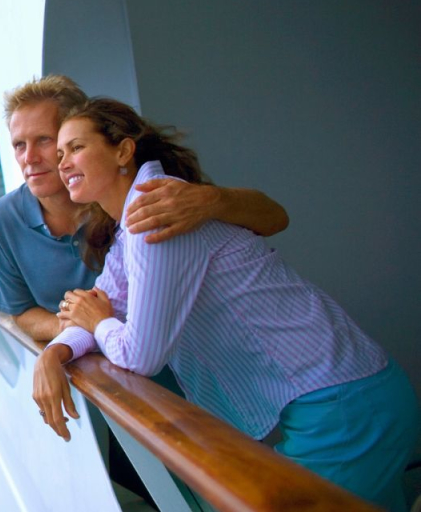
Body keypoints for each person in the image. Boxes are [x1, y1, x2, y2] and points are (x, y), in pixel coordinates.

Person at [38, 97, 418, 511]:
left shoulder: (157, 213)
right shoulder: (132, 226)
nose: (63, 163)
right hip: (347, 396)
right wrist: (55, 353)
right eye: (59, 154)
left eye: (75, 148)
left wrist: (99, 324)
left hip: (344, 407)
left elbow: (138, 354)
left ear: (124, 151)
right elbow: (99, 302)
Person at [0, 76, 288, 343]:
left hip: (204, 352)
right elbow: (19, 310)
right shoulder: (1, 221)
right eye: (19, 145)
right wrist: (69, 329)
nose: (29, 158)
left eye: (44, 140)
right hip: (108, 374)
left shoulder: (133, 195)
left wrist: (211, 200)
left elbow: (275, 218)